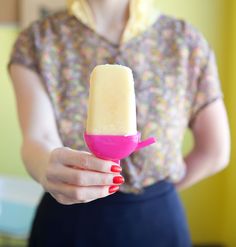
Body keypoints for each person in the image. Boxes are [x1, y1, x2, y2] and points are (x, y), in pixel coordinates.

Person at [8, 0, 230, 246]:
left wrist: (157, 193)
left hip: (156, 221)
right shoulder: (36, 41)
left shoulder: (187, 42)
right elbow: (38, 138)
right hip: (67, 220)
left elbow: (215, 151)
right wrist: (46, 168)